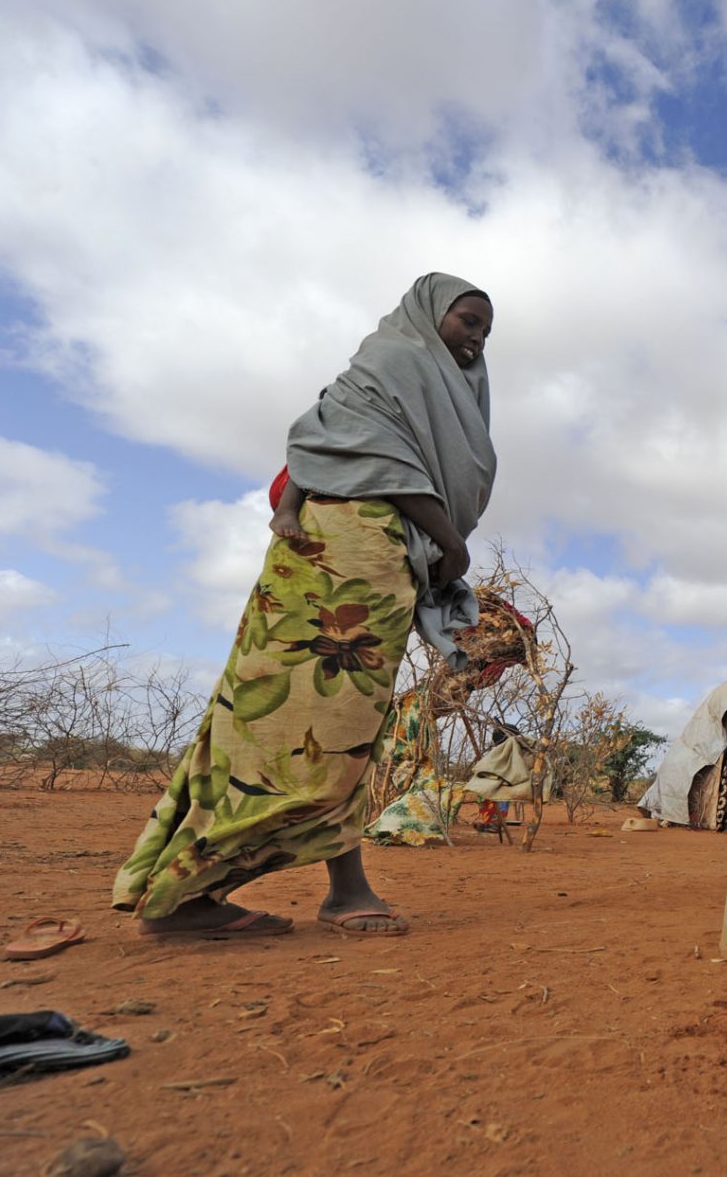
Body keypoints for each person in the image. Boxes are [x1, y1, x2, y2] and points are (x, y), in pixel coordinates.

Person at [112, 273, 497, 939]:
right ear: (430, 312)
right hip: (335, 557)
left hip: (378, 568)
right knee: (282, 728)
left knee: (345, 734)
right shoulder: (393, 361)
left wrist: (437, 550)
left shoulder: (446, 385)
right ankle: (189, 889)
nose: (476, 337)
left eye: (485, 330)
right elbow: (373, 458)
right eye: (467, 320)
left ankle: (325, 889)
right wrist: (448, 541)